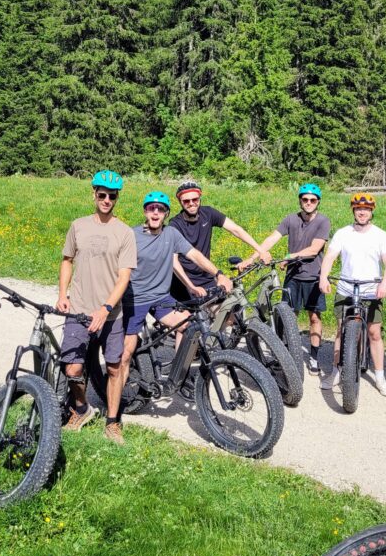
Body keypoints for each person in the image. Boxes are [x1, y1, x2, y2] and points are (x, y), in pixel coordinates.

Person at [117, 191, 234, 443]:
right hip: (135, 299)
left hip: (162, 298)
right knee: (126, 352)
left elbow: (195, 256)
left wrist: (219, 273)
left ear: (166, 213)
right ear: (145, 211)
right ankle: (113, 412)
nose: (155, 213)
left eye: (160, 209)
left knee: (188, 325)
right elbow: (112, 262)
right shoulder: (132, 235)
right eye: (151, 209)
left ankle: (177, 378)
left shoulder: (171, 234)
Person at [56, 171, 137, 445]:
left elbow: (124, 277)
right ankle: (81, 409)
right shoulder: (78, 225)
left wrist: (105, 308)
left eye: (111, 196)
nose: (106, 200)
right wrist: (62, 294)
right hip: (78, 309)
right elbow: (67, 260)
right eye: (101, 194)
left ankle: (113, 422)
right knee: (73, 369)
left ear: (117, 198)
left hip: (111, 315)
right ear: (93, 194)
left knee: (114, 367)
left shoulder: (124, 232)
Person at [240, 183, 330, 375]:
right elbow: (272, 239)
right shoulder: (291, 219)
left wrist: (290, 257)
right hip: (293, 276)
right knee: (289, 316)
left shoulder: (323, 221)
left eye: (312, 200)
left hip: (313, 276)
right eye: (305, 199)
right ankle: (287, 355)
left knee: (314, 317)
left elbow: (314, 249)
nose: (308, 203)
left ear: (318, 202)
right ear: (300, 200)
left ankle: (313, 357)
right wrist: (253, 256)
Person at [318, 192, 386, 396]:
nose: (362, 212)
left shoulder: (381, 235)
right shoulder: (343, 233)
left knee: (374, 333)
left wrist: (384, 283)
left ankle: (380, 376)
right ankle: (336, 371)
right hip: (345, 289)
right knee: (341, 331)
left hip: (371, 291)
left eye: (366, 209)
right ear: (353, 210)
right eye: (359, 209)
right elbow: (329, 257)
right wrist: (323, 277)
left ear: (371, 212)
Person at [168, 179, 270, 301]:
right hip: (185, 280)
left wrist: (260, 251)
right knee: (194, 318)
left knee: (227, 314)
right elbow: (174, 260)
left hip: (206, 275)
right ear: (180, 202)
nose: (191, 203)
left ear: (200, 198)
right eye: (186, 201)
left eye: (195, 199)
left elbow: (236, 229)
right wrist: (190, 285)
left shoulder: (208, 213)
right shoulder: (175, 224)